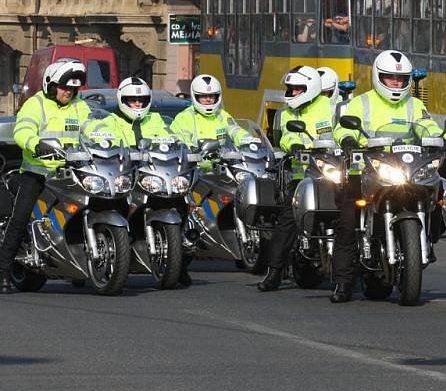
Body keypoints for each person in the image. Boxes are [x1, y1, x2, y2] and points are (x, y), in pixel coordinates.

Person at [330, 50, 442, 303]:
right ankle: (343, 283)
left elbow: (428, 125)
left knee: (438, 194)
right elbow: (343, 127)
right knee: (348, 221)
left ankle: (427, 241)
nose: (396, 83)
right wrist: (347, 139)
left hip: (405, 168)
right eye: (390, 78)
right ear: (379, 77)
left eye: (401, 79)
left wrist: (437, 137)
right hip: (367, 169)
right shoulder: (361, 103)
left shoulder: (415, 105)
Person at [0, 59, 92, 294]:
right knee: (20, 217)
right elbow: (22, 131)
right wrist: (36, 144)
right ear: (51, 85)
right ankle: (3, 271)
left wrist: (104, 138)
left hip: (70, 171)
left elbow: (92, 127)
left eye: (73, 89)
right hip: (37, 172)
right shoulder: (36, 104)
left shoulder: (79, 106)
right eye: (64, 88)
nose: (68, 93)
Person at [257, 66, 333, 292]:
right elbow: (285, 137)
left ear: (310, 88)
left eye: (297, 89)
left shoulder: (331, 108)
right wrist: (295, 145)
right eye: (290, 88)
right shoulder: (285, 114)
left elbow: (341, 133)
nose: (292, 92)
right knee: (288, 218)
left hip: (330, 172)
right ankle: (274, 272)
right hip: (300, 176)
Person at [170, 74, 248, 286]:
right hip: (196, 171)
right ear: (196, 98)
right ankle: (179, 265)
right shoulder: (184, 118)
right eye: (204, 98)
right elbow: (179, 140)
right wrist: (192, 150)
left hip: (221, 170)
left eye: (212, 97)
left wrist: (249, 140)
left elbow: (235, 131)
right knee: (188, 217)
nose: (208, 101)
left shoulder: (223, 116)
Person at [97, 77, 171, 146]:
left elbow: (168, 138)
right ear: (122, 100)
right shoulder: (111, 121)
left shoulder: (155, 119)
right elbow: (103, 141)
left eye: (141, 100)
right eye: (132, 100)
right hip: (122, 159)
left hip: (152, 159)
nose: (137, 103)